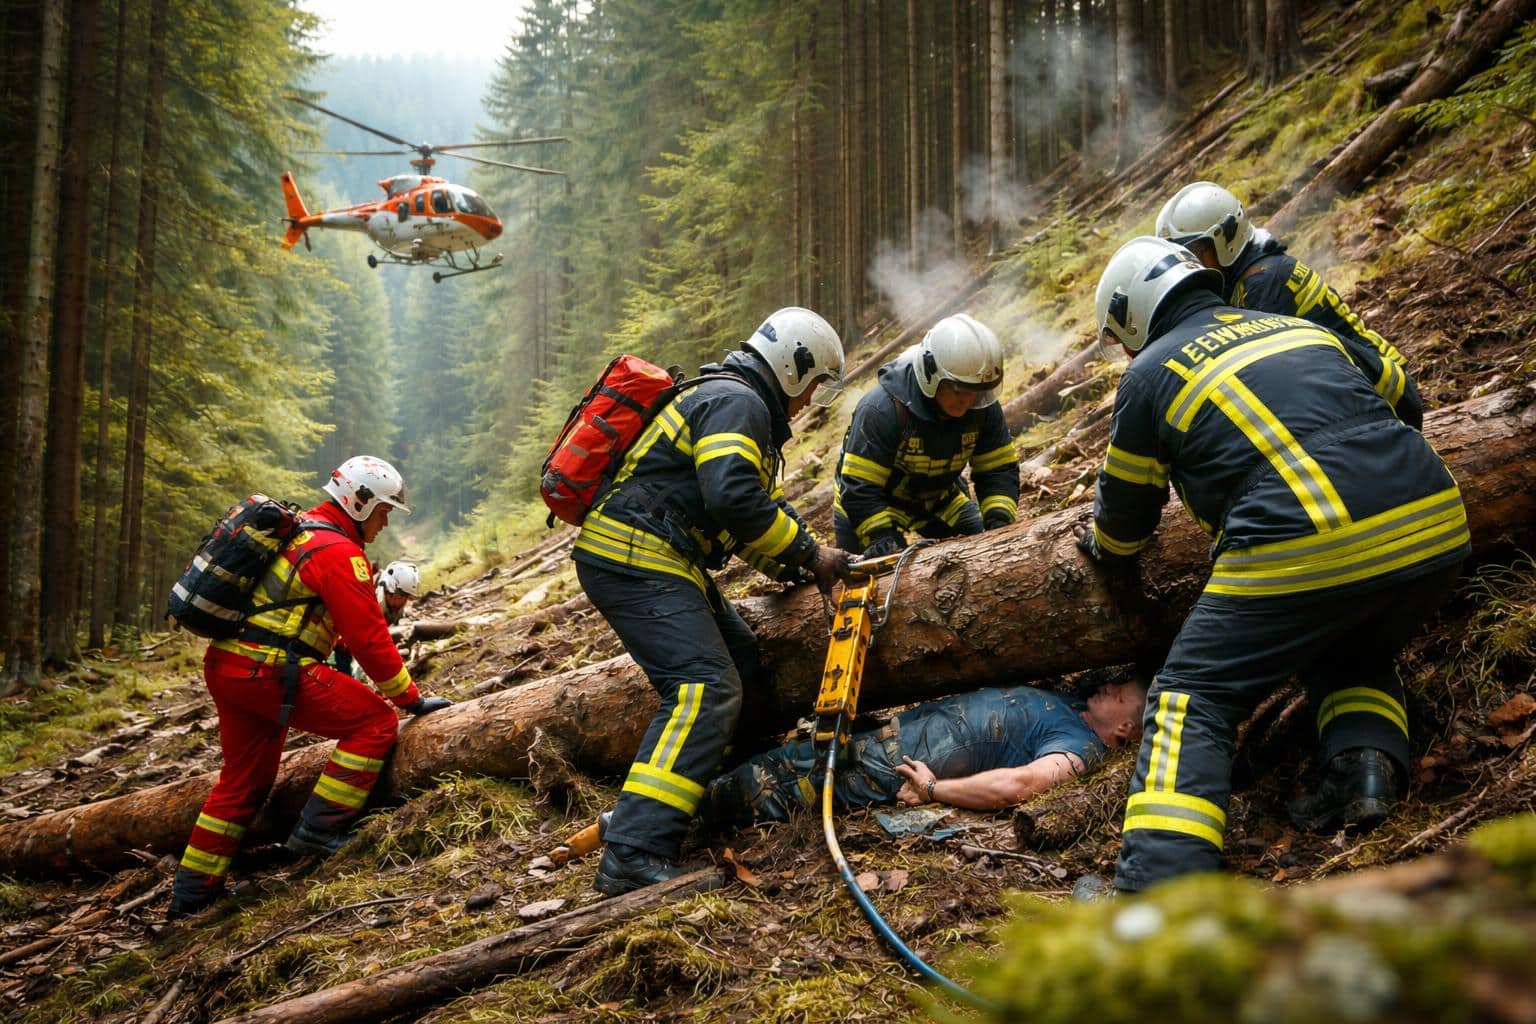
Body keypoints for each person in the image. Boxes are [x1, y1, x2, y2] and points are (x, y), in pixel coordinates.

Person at [1076, 237, 1469, 896]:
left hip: (1313, 528)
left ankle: (1159, 900)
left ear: (1133, 320)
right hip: (1436, 521)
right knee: (1351, 641)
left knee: (1189, 697)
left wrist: (1106, 557)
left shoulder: (1149, 375)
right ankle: (1364, 774)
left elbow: (1127, 516)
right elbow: (1403, 399)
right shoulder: (1294, 326)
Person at [573, 307, 856, 897]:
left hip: (658, 552)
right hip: (635, 553)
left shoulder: (731, 401)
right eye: (810, 388)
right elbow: (732, 498)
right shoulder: (740, 402)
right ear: (793, 368)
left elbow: (742, 522)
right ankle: (633, 848)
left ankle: (729, 784)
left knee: (743, 656)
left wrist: (795, 565)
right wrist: (810, 554)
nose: (807, 404)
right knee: (704, 687)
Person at [167, 457, 454, 921]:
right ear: (358, 503)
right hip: (268, 670)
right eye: (382, 511)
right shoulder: (337, 552)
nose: (383, 523)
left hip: (230, 666)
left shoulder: (304, 533)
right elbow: (368, 638)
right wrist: (410, 700)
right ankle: (320, 829)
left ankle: (191, 896)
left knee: (245, 780)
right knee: (376, 722)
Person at [1154, 180, 1422, 429]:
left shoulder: (1264, 282)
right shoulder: (1251, 275)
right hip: (1371, 388)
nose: (1191, 266)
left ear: (1226, 239)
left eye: (1197, 253)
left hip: (1388, 398)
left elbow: (1269, 383)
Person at [703, 680, 1147, 826]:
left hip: (888, 765)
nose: (1109, 686)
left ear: (1125, 728)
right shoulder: (1074, 708)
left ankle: (689, 813)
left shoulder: (1081, 749)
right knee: (778, 760)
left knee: (761, 790)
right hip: (885, 736)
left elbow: (1022, 784)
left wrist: (935, 789)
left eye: (1121, 693)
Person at [833, 313, 1020, 557]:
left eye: (977, 392)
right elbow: (860, 488)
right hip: (869, 505)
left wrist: (999, 523)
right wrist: (882, 538)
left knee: (986, 550)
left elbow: (998, 469)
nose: (967, 401)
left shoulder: (982, 409)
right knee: (871, 579)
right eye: (959, 390)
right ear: (931, 373)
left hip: (939, 500)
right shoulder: (881, 410)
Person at [332, 560, 421, 678]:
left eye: (404, 597)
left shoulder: (395, 608)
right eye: (396, 596)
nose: (397, 602)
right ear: (386, 589)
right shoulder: (365, 598)